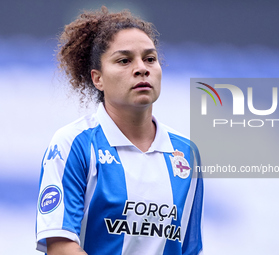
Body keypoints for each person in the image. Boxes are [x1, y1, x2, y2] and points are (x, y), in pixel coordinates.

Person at [35, 6, 203, 255]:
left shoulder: (186, 154)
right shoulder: (74, 144)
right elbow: (60, 246)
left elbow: (188, 248)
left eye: (150, 59)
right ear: (97, 79)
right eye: (124, 60)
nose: (141, 68)